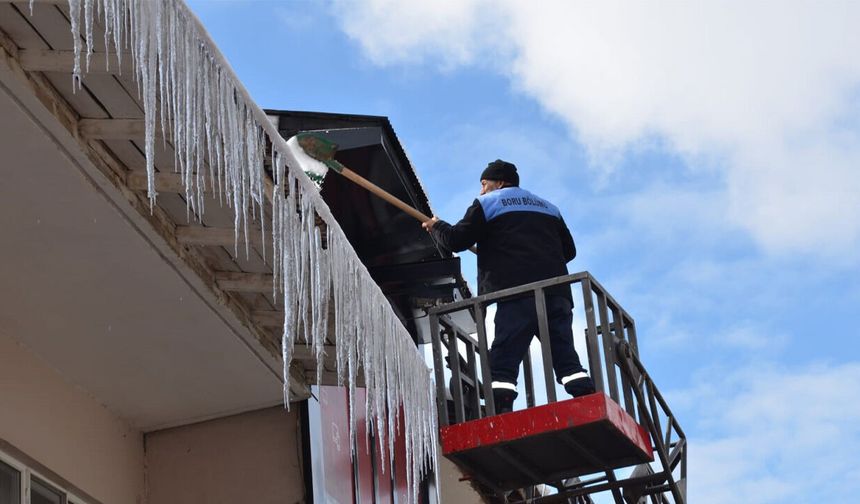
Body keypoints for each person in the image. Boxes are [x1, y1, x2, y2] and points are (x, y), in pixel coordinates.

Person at [422, 159, 595, 414]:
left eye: (484, 184)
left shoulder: (488, 203)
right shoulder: (549, 207)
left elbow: (457, 240)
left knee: (504, 356)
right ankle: (586, 397)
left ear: (499, 183)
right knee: (564, 352)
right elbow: (568, 251)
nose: (481, 190)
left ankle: (501, 410)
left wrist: (437, 227)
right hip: (556, 294)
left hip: (516, 293)